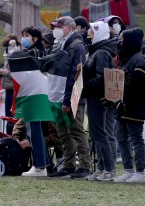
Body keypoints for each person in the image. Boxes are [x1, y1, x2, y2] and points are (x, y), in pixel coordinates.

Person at [46, 16, 92, 179]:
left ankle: (85, 165)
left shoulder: (77, 46)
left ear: (70, 28)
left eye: (59, 26)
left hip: (71, 97)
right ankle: (69, 164)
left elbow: (75, 75)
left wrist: (67, 100)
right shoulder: (58, 44)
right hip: (55, 95)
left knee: (76, 130)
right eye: (54, 27)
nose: (55, 30)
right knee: (62, 132)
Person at [107, 28, 145, 183]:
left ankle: (140, 172)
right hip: (121, 107)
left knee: (136, 139)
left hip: (134, 108)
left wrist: (126, 102)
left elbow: (138, 87)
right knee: (121, 138)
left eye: (121, 39)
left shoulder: (139, 60)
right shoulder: (126, 59)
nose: (119, 41)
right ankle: (128, 170)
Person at [8, 28, 55, 177]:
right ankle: (44, 164)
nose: (24, 38)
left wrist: (14, 56)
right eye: (22, 35)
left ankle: (39, 166)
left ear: (35, 39)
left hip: (34, 95)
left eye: (27, 36)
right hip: (36, 95)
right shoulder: (36, 52)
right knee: (35, 130)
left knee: (33, 130)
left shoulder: (34, 54)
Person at [82, 21, 118, 182]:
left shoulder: (101, 53)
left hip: (97, 97)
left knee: (99, 134)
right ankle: (103, 168)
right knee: (97, 134)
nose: (88, 32)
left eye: (91, 30)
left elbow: (101, 76)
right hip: (94, 96)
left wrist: (84, 86)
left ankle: (109, 169)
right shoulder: (97, 51)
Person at [0, 34, 20, 135]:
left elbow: (18, 74)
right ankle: (9, 136)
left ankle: (12, 136)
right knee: (8, 115)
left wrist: (6, 73)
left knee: (12, 115)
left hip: (13, 87)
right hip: (8, 87)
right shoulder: (7, 53)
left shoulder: (16, 53)